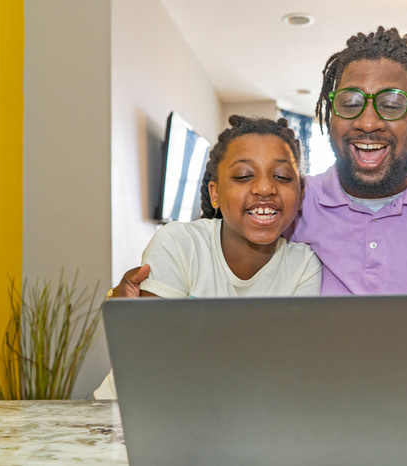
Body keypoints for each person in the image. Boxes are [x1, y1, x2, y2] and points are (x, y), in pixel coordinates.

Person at [114, 27, 407, 398]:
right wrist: (139, 320)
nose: (368, 121)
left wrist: (335, 363)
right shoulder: (290, 206)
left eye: (391, 103)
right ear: (328, 114)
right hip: (301, 418)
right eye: (350, 102)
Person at [97, 116, 322, 398]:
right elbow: (157, 364)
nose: (265, 188)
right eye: (243, 176)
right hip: (126, 412)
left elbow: (289, 370)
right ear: (214, 194)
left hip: (234, 417)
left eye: (282, 176)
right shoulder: (178, 244)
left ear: (300, 195)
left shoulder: (304, 266)